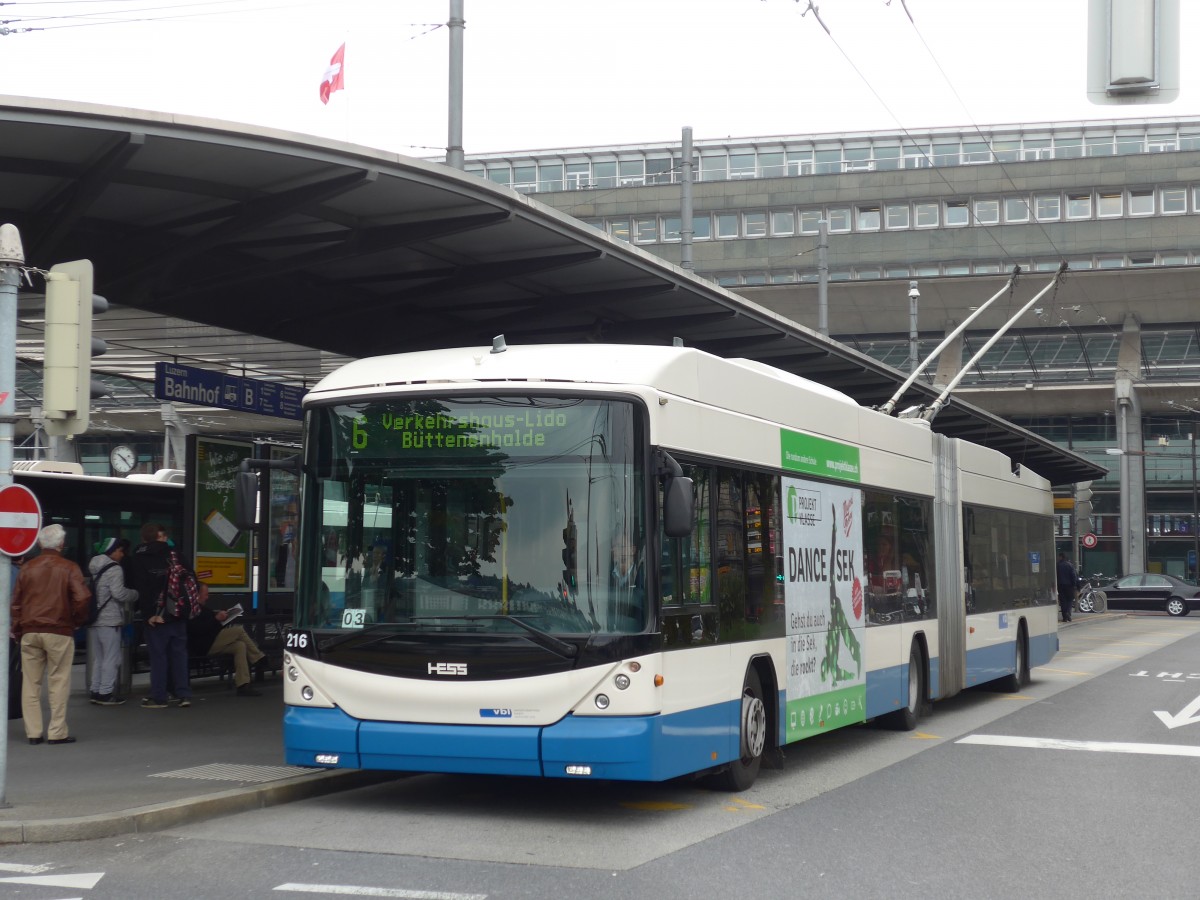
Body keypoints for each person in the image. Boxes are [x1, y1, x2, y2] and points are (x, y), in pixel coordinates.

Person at [10, 524, 90, 744]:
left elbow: (16, 603)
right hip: (59, 631)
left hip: (30, 632)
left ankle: (33, 733)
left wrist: (18, 629)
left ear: (39, 543)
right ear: (62, 544)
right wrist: (76, 620)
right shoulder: (69, 567)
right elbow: (82, 598)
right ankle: (57, 732)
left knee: (31, 683)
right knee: (58, 681)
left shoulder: (27, 568)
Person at [128, 522, 195, 709]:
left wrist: (149, 613)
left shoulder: (139, 557)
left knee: (158, 657)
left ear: (144, 538)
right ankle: (183, 694)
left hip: (155, 616)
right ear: (162, 536)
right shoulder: (176, 555)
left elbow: (142, 587)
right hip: (177, 613)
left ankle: (159, 697)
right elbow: (191, 579)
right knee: (179, 655)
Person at [87, 537, 138, 706]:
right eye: (120, 550)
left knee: (100, 658)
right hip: (110, 619)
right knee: (112, 658)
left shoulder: (94, 566)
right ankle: (106, 693)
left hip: (94, 618)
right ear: (112, 551)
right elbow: (118, 594)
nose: (122, 554)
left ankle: (95, 691)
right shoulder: (115, 568)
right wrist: (134, 594)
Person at [187, 589, 267, 697]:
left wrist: (224, 619)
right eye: (206, 594)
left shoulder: (205, 610)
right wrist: (216, 619)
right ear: (198, 594)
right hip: (203, 645)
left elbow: (213, 627)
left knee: (240, 646)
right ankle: (259, 658)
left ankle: (243, 684)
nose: (207, 597)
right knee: (238, 630)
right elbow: (199, 630)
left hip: (210, 642)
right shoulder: (193, 611)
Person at [1057, 552, 1078, 623]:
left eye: (1059, 556)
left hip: (1060, 585)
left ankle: (1064, 617)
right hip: (1069, 586)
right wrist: (1074, 585)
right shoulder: (1070, 565)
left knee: (1063, 601)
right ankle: (1068, 613)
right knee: (1069, 600)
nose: (1058, 558)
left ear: (1061, 557)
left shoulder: (1058, 565)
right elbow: (1073, 576)